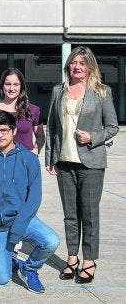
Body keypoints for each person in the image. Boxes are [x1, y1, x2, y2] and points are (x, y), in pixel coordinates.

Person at [45, 46, 118, 284]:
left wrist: (93, 138)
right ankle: (72, 258)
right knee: (70, 216)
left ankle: (89, 260)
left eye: (82, 63)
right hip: (64, 162)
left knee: (89, 215)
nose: (77, 66)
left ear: (89, 67)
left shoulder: (102, 92)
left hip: (91, 162)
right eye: (73, 62)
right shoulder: (59, 90)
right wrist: (50, 158)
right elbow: (52, 127)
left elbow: (112, 127)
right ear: (68, 65)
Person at [0, 111, 59, 294]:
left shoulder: (28, 158)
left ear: (14, 131)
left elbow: (34, 198)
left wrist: (17, 232)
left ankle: (29, 269)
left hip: (22, 221)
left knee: (51, 241)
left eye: (4, 130)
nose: (0, 135)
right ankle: (7, 257)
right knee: (2, 279)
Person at [0, 67, 44, 154]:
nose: (11, 88)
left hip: (24, 161)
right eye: (8, 84)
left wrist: (35, 151)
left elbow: (40, 136)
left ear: (21, 87)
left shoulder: (33, 110)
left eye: (16, 84)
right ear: (2, 85)